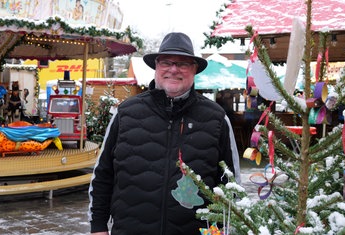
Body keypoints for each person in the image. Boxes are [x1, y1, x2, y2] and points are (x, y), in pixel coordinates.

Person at [88, 32, 241, 235]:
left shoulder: (216, 118)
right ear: (156, 67)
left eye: (183, 63)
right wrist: (98, 227)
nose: (173, 69)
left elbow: (231, 184)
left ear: (194, 70)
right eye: (166, 62)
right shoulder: (126, 113)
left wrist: (226, 229)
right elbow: (103, 175)